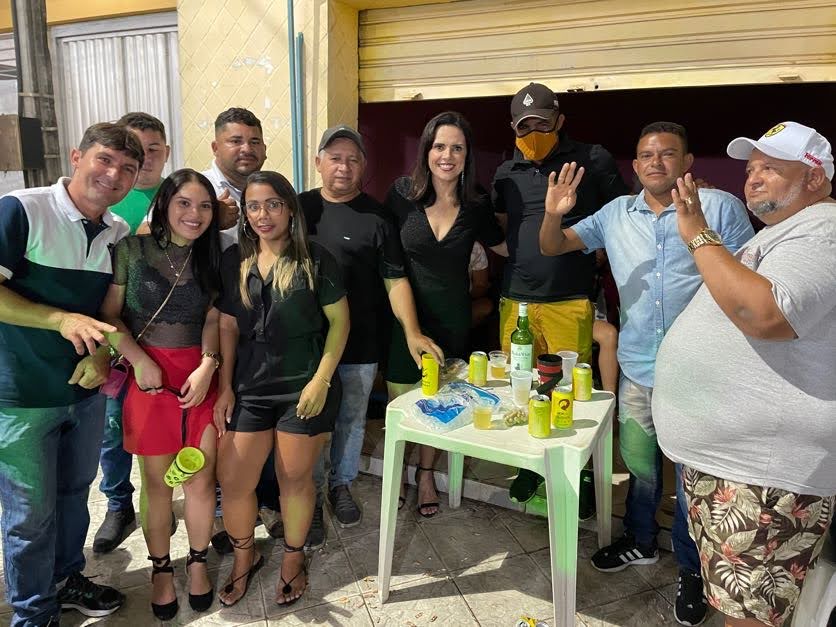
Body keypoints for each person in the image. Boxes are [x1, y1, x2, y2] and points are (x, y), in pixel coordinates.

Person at [539, 121, 754, 626]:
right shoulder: (616, 213)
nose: (656, 162)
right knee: (639, 465)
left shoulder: (720, 207)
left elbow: (748, 277)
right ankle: (640, 541)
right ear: (634, 166)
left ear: (687, 162)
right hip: (637, 365)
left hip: (700, 369)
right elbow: (552, 246)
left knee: (691, 477)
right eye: (646, 155)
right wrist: (552, 214)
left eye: (667, 153)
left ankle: (692, 569)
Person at [653, 121, 835, 627]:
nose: (752, 178)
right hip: (739, 470)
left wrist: (698, 234)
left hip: (765, 476)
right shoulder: (787, 232)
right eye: (751, 168)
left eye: (770, 168)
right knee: (737, 608)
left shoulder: (825, 229)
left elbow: (766, 314)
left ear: (815, 178)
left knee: (749, 617)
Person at [0, 122, 141, 626]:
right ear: (76, 156)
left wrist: (103, 354)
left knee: (74, 495)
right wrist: (59, 319)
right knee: (28, 515)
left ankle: (65, 580)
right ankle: (34, 614)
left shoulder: (118, 233)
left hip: (84, 394)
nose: (114, 175)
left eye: (127, 168)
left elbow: (108, 312)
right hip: (21, 396)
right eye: (105, 160)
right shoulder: (22, 210)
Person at [299, 125, 441, 548]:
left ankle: (340, 484)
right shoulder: (298, 209)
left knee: (351, 418)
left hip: (360, 343)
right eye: (335, 158)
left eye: (353, 159)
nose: (343, 167)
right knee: (309, 423)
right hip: (306, 343)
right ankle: (309, 495)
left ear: (363, 166)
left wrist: (412, 331)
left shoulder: (377, 217)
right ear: (318, 162)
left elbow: (394, 278)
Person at [214, 171, 349, 607]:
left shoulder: (315, 258)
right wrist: (224, 387)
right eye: (253, 206)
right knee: (233, 480)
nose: (263, 215)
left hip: (302, 386)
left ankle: (293, 557)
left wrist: (321, 380)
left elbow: (340, 322)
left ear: (290, 208)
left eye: (272, 204)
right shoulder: (234, 259)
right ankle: (245, 556)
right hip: (249, 388)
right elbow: (227, 325)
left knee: (294, 478)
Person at [99, 168, 222, 620]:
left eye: (205, 206)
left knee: (201, 479)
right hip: (148, 378)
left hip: (200, 379)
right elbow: (109, 315)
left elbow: (214, 318)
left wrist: (209, 364)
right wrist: (137, 359)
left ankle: (198, 562)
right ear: (165, 203)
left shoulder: (213, 257)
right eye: (184, 203)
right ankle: (161, 569)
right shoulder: (131, 250)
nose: (195, 214)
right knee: (157, 484)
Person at [384, 111, 506, 517]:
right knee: (402, 403)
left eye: (457, 148)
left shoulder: (476, 204)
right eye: (439, 146)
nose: (447, 156)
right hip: (404, 318)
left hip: (452, 319)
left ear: (467, 155)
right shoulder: (402, 194)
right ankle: (398, 473)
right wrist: (410, 329)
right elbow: (390, 265)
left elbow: (506, 246)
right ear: (426, 150)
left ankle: (425, 475)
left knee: (439, 404)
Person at [493, 82, 629, 363]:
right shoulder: (505, 173)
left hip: (570, 299)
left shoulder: (593, 159)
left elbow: (623, 213)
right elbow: (501, 223)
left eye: (542, 124)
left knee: (569, 385)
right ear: (513, 127)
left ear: (560, 121)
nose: (533, 133)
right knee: (516, 382)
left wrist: (602, 251)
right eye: (524, 126)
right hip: (515, 300)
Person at [94, 111, 173, 555]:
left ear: (166, 152)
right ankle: (118, 504)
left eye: (153, 150)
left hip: (168, 336)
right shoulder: (106, 197)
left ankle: (172, 495)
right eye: (134, 151)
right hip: (114, 336)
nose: (144, 159)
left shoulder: (179, 194)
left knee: (169, 423)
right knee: (113, 427)